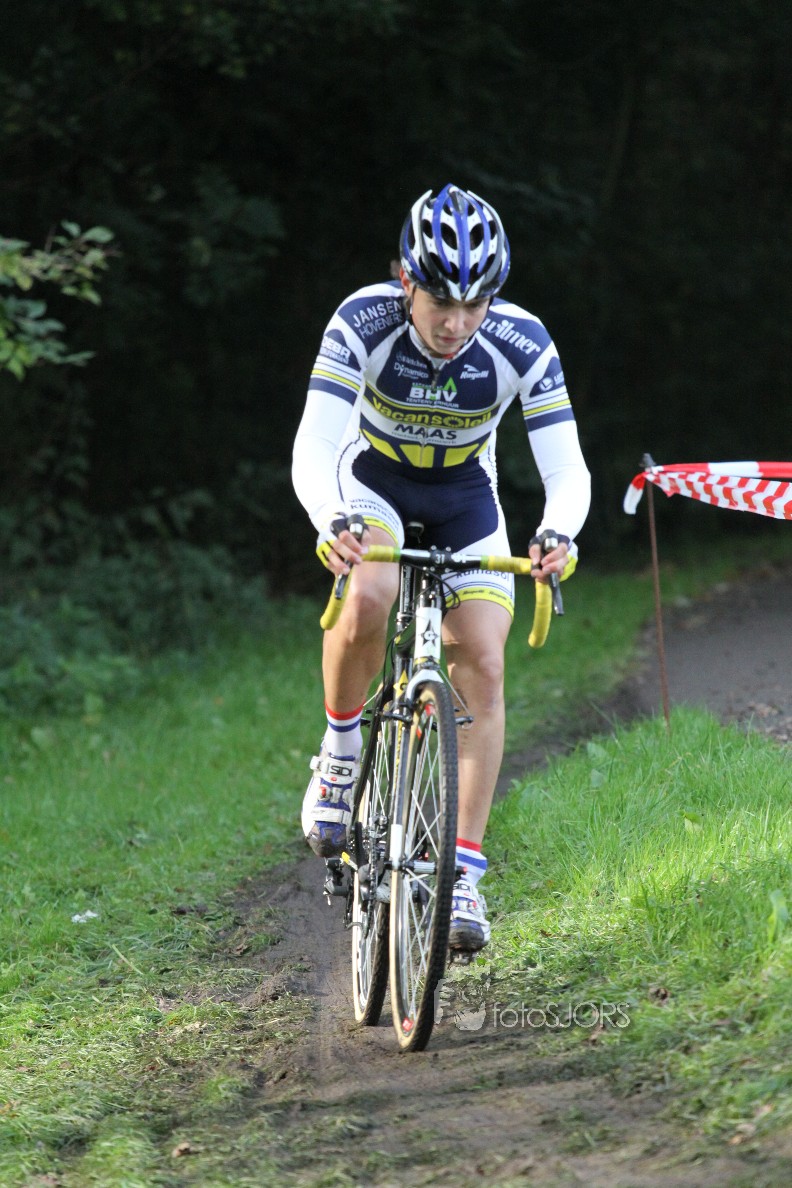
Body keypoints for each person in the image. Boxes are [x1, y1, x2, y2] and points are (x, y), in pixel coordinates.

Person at [292, 183, 590, 952]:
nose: (456, 323)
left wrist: (558, 531)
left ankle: (460, 874)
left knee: (482, 660)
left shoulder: (522, 341)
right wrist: (331, 517)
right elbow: (315, 444)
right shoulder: (363, 321)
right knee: (372, 590)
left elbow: (567, 469)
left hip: (464, 497)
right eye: (440, 304)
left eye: (474, 304)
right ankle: (341, 754)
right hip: (374, 481)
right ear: (407, 283)